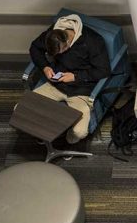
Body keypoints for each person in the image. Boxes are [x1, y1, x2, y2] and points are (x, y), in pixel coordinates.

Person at [28, 13, 110, 144]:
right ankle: (48, 130)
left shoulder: (93, 41)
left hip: (80, 89)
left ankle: (65, 138)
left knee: (80, 132)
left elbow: (104, 70)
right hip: (56, 84)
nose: (60, 55)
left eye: (61, 52)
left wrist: (75, 77)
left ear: (67, 42)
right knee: (21, 109)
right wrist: (45, 67)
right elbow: (35, 48)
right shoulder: (53, 33)